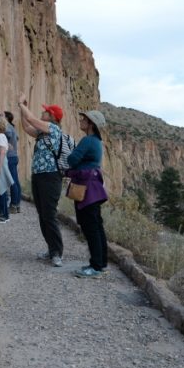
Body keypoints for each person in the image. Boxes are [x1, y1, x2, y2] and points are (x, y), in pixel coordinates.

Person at [17, 95, 65, 266]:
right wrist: (22, 110)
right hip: (39, 176)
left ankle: (57, 252)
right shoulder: (41, 132)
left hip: (50, 177)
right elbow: (26, 126)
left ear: (52, 117)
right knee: (43, 215)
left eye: (46, 111)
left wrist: (21, 104)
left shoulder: (53, 128)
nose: (43, 112)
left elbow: (31, 118)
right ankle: (51, 250)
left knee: (50, 215)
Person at [65, 110, 110, 278]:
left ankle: (96, 266)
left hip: (87, 190)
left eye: (85, 119)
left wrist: (72, 164)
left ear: (91, 124)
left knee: (90, 227)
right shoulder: (97, 141)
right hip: (94, 188)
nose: (81, 120)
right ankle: (101, 263)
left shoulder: (88, 141)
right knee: (97, 227)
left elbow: (71, 160)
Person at [3, 110, 22, 213]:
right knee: (16, 181)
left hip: (10, 157)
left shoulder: (8, 127)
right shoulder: (12, 127)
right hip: (13, 156)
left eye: (2, 115)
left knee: (12, 181)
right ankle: (17, 204)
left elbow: (9, 134)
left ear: (6, 118)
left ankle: (14, 205)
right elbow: (17, 137)